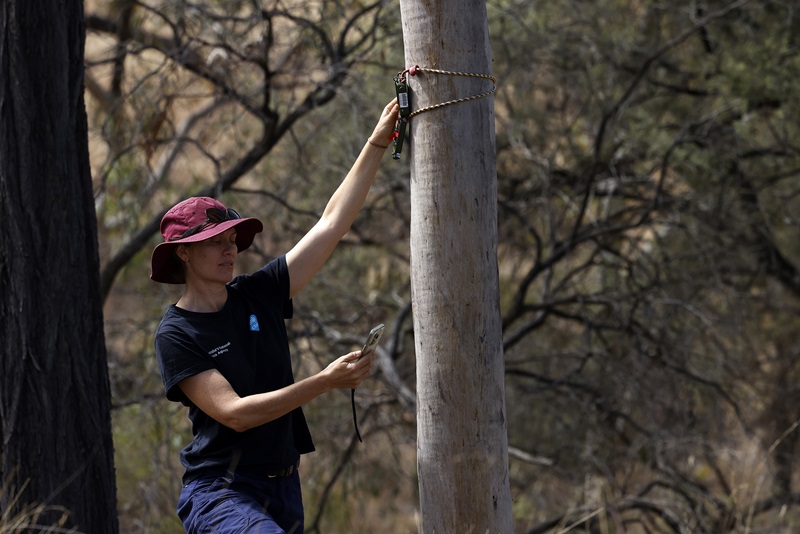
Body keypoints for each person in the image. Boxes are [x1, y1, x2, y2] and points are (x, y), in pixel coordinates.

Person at [151, 99, 400, 533]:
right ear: (183, 254)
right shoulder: (176, 334)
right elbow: (235, 413)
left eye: (232, 238)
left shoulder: (258, 293)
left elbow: (330, 224)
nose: (229, 249)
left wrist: (377, 141)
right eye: (214, 242)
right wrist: (324, 381)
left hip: (285, 487)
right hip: (221, 492)